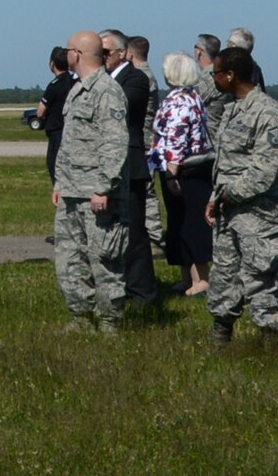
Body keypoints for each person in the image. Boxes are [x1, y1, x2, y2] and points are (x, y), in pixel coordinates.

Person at [206, 47, 278, 343]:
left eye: (215, 73)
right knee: (224, 278)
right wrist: (215, 199)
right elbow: (225, 163)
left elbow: (263, 171)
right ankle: (221, 337)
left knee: (259, 279)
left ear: (230, 74)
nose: (212, 79)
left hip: (259, 214)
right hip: (228, 211)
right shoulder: (231, 110)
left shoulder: (267, 112)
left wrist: (228, 196)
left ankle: (270, 341)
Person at [52, 31, 131, 332]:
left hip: (98, 195)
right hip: (73, 191)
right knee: (71, 260)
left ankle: (110, 322)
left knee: (105, 262)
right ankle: (81, 317)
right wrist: (60, 182)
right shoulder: (77, 90)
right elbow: (69, 142)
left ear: (78, 54)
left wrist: (103, 187)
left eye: (67, 50)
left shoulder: (107, 91)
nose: (65, 55)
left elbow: (114, 143)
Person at [103, 30, 163, 308]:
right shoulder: (104, 80)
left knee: (135, 233)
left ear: (123, 53)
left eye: (106, 53)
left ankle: (143, 293)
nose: (102, 58)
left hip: (131, 162)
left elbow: (119, 109)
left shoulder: (136, 79)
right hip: (109, 164)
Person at [150, 51, 213, 296]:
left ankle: (201, 279)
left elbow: (176, 139)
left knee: (190, 223)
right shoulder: (193, 97)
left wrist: (171, 175)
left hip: (184, 170)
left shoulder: (176, 102)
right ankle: (187, 277)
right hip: (195, 166)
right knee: (180, 222)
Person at [128, 35, 165, 248]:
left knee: (147, 191)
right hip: (146, 138)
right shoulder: (148, 74)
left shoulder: (142, 76)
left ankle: (153, 235)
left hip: (145, 139)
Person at [35, 46, 77, 183]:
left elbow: (40, 111)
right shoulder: (75, 82)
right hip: (73, 132)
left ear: (52, 64)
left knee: (55, 169)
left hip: (57, 133)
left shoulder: (54, 85)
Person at [193, 34, 229, 139]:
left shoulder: (209, 78)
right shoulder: (220, 74)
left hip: (209, 139)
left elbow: (188, 103)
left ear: (199, 51)